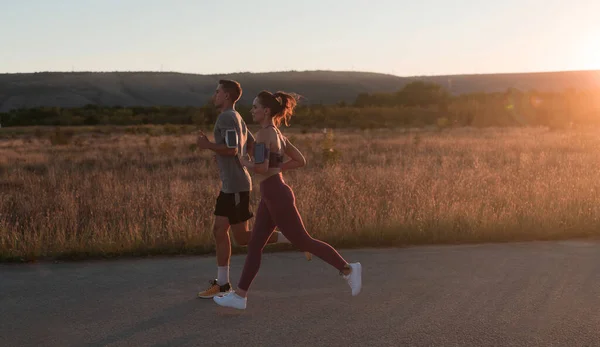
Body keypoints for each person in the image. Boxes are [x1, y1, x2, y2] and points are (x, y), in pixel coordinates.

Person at [213, 90, 362, 310]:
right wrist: (277, 168)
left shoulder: (264, 134)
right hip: (272, 193)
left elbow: (261, 167)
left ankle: (348, 268)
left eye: (255, 107)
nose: (252, 111)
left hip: (276, 194)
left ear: (266, 111)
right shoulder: (278, 134)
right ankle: (240, 296)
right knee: (254, 244)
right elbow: (299, 160)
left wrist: (244, 162)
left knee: (303, 241)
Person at [195, 80, 291, 299]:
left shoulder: (227, 117)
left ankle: (290, 236)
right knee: (220, 230)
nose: (215, 94)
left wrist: (209, 146)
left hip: (236, 186)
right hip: (232, 185)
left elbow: (230, 148)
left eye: (217, 91)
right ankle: (222, 284)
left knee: (244, 238)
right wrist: (250, 160)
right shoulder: (237, 117)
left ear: (227, 96)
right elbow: (250, 143)